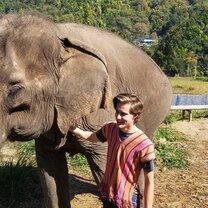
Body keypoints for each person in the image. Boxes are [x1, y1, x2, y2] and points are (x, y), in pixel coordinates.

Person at [69, 93, 155, 208]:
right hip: (109, 194)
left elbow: (149, 181)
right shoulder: (110, 129)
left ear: (135, 115)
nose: (118, 117)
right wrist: (71, 128)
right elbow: (90, 137)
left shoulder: (144, 145)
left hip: (128, 200)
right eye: (117, 112)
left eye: (123, 114)